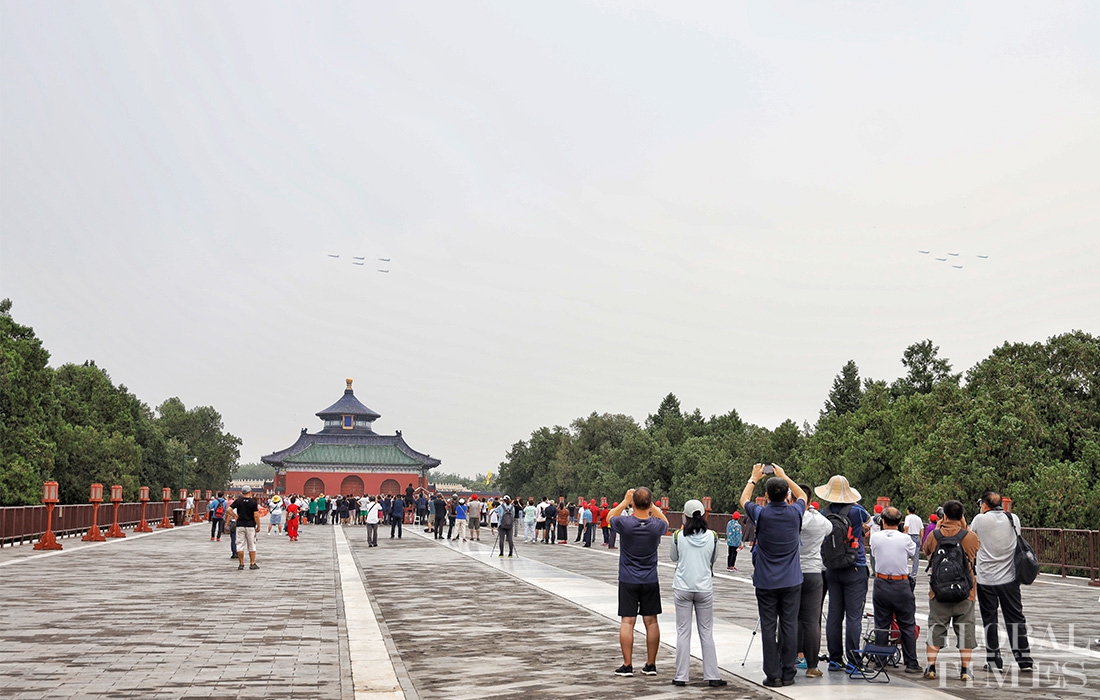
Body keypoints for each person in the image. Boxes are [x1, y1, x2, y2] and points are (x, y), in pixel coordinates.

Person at [742, 464, 807, 688]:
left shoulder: (761, 513)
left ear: (766, 496)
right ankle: (789, 672)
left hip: (766, 580)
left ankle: (773, 674)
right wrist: (784, 476)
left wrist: (753, 478)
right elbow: (803, 495)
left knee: (769, 627)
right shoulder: (795, 512)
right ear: (787, 495)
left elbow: (744, 499)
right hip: (791, 580)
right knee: (789, 625)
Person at [970, 491, 1034, 672]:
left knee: (989, 620)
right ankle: (1024, 659)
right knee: (1015, 618)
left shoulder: (979, 520)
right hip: (1010, 578)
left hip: (986, 579)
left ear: (984, 504)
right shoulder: (1013, 519)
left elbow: (971, 539)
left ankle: (994, 660)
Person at [609, 487, 669, 677]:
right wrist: (653, 507)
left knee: (627, 622)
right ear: (650, 503)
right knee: (651, 622)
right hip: (650, 578)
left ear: (633, 503)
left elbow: (610, 517)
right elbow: (666, 522)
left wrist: (624, 502)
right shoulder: (655, 526)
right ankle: (651, 664)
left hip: (628, 578)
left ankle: (627, 665)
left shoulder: (625, 523)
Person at [814, 474, 872, 671]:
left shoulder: (824, 513)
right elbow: (869, 520)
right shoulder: (857, 511)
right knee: (854, 616)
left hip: (832, 568)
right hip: (855, 567)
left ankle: (835, 659)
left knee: (834, 614)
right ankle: (854, 661)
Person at [921, 499, 980, 681]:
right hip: (965, 592)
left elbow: (926, 550)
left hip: (938, 591)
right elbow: (975, 550)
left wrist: (940, 527)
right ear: (962, 516)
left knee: (936, 627)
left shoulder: (935, 535)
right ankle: (965, 670)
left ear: (944, 516)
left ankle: (931, 667)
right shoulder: (969, 536)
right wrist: (965, 527)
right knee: (966, 629)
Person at [669, 499, 726, 688]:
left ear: (684, 516)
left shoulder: (678, 535)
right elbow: (713, 558)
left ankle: (681, 676)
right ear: (703, 515)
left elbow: (674, 557)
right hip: (704, 587)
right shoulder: (713, 536)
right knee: (706, 632)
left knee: (683, 632)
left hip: (682, 586)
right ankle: (712, 675)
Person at [868, 506, 922, 674]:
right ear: (900, 522)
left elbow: (874, 554)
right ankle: (911, 662)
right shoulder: (905, 539)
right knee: (907, 623)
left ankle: (880, 661)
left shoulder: (875, 537)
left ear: (883, 521)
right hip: (901, 584)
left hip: (881, 582)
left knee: (881, 624)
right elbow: (913, 554)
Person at [795, 487, 831, 678]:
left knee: (789, 618)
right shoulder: (820, 520)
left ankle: (788, 661)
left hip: (793, 573)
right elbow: (829, 528)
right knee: (811, 621)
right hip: (814, 572)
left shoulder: (791, 518)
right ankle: (812, 666)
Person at [232, 486, 261, 571]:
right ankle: (252, 563)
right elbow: (256, 515)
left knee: (240, 545)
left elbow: (229, 509)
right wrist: (258, 525)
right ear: (250, 492)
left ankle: (241, 564)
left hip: (240, 525)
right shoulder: (253, 502)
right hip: (250, 526)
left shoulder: (238, 501)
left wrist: (235, 516)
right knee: (251, 544)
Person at [904, 506, 924, 577]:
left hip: (910, 536)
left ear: (908, 511)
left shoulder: (908, 517)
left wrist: (904, 533)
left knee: (906, 554)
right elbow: (922, 529)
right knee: (916, 556)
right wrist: (921, 539)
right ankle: (914, 573)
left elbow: (906, 527)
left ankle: (905, 571)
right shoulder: (918, 518)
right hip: (917, 536)